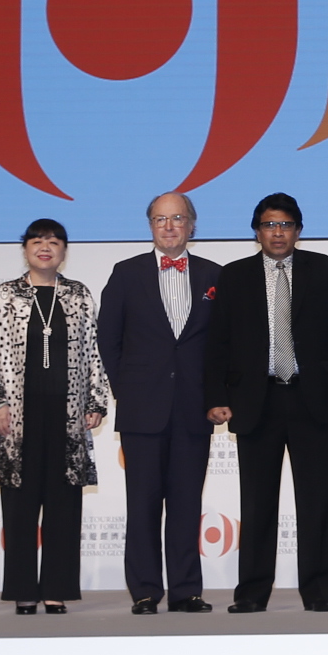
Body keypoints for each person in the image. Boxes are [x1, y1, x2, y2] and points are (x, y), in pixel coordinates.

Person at [206, 193, 328, 613]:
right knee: (257, 503)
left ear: (298, 231)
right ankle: (252, 592)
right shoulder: (234, 275)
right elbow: (217, 343)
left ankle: (319, 591)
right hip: (256, 401)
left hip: (312, 399)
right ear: (256, 232)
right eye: (270, 225)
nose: (278, 233)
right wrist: (216, 397)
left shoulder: (320, 268)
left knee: (315, 500)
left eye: (286, 225)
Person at [97, 192, 221, 614]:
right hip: (142, 408)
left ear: (192, 225)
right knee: (143, 503)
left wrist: (217, 396)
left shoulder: (214, 275)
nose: (169, 227)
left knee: (186, 504)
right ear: (150, 225)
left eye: (177, 218)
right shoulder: (126, 273)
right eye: (160, 219)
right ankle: (146, 590)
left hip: (194, 407)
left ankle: (186, 590)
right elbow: (108, 338)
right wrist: (126, 389)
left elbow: (223, 343)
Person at [0, 219, 110, 615]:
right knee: (19, 506)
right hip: (17, 417)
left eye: (54, 242)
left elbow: (94, 351)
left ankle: (57, 589)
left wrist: (95, 401)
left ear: (64, 251)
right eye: (37, 241)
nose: (45, 247)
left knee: (63, 505)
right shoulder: (4, 295)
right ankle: (22, 589)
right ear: (25, 249)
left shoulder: (78, 295)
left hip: (66, 416)